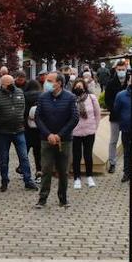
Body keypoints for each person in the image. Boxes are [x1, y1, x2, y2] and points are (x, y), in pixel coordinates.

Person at [34, 71, 80, 208]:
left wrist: (59, 135)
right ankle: (42, 199)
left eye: (49, 80)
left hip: (64, 140)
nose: (46, 83)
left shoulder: (70, 97)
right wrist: (48, 134)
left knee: (63, 171)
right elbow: (38, 117)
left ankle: (63, 199)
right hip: (46, 139)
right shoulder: (43, 97)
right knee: (46, 169)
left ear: (59, 83)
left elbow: (74, 118)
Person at [0, 74, 38, 192]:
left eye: (12, 83)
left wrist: (19, 119)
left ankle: (28, 180)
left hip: (19, 131)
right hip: (2, 132)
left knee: (24, 157)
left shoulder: (20, 93)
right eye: (9, 84)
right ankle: (4, 180)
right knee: (4, 158)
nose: (12, 85)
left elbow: (23, 108)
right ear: (3, 85)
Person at [112, 75, 132, 182]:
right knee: (127, 153)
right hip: (126, 130)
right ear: (128, 82)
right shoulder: (120, 95)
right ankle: (127, 174)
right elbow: (116, 111)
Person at [71, 78, 101, 189]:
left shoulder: (91, 98)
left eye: (81, 86)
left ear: (84, 87)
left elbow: (97, 113)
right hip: (75, 132)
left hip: (89, 131)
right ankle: (77, 178)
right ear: (73, 88)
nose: (79, 88)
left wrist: (95, 126)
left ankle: (89, 177)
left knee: (88, 155)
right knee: (76, 156)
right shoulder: (71, 99)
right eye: (77, 87)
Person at [104, 59, 130, 174]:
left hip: (127, 116)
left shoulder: (130, 81)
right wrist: (114, 109)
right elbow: (107, 99)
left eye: (123, 70)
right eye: (119, 70)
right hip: (115, 116)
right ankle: (112, 163)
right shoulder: (110, 83)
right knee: (113, 140)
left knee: (128, 141)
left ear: (126, 69)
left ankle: (128, 165)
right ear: (115, 70)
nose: (121, 71)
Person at [17, 71, 43, 181]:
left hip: (26, 128)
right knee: (38, 152)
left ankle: (23, 169)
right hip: (40, 128)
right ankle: (39, 172)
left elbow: (21, 111)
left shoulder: (24, 96)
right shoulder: (43, 96)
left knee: (24, 151)